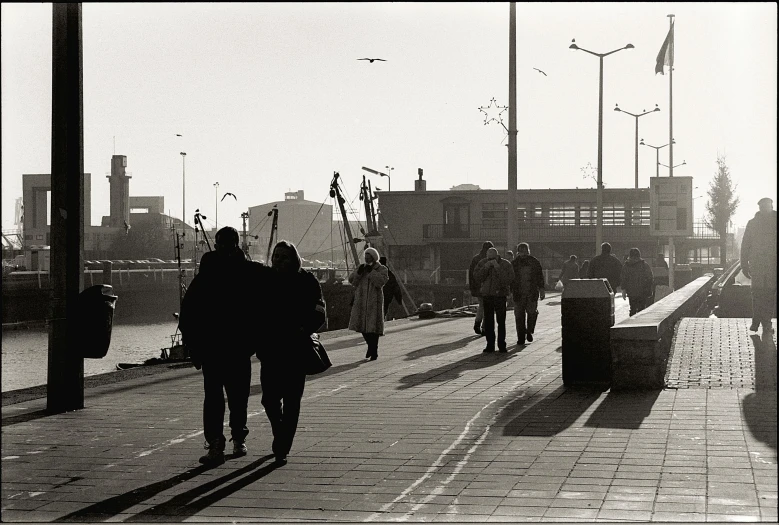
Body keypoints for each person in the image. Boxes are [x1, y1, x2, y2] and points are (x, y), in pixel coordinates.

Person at [179, 227, 259, 466]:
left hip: (215, 347)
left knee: (216, 398)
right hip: (235, 348)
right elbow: (258, 311)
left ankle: (217, 444)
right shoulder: (247, 272)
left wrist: (192, 345)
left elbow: (189, 313)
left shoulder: (205, 276)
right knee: (236, 396)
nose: (222, 248)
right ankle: (235, 438)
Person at [258, 240, 326, 465]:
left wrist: (303, 329)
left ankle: (282, 446)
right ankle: (280, 431)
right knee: (269, 399)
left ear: (294, 259)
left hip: (296, 349)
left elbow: (319, 312)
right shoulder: (266, 280)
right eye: (276, 256)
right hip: (270, 349)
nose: (278, 260)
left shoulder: (307, 281)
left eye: (283, 256)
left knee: (292, 400)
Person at [740, 197, 777, 333]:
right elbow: (745, 245)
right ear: (759, 208)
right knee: (757, 294)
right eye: (763, 207)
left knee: (768, 295)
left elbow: (745, 246)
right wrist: (744, 264)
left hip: (773, 266)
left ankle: (765, 323)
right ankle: (757, 321)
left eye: (767, 206)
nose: (765, 209)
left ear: (771, 206)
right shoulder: (753, 223)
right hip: (758, 266)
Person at [348, 247, 389, 360]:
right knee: (361, 327)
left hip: (373, 302)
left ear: (374, 257)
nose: (366, 259)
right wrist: (358, 273)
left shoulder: (382, 269)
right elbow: (352, 281)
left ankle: (373, 349)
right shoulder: (361, 267)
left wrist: (371, 272)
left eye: (368, 257)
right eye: (365, 257)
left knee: (373, 328)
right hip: (361, 301)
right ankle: (371, 347)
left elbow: (380, 282)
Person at [474, 247, 515, 352]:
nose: (490, 259)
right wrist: (485, 267)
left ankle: (502, 344)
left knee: (501, 321)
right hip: (487, 295)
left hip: (500, 295)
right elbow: (477, 277)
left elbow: (509, 279)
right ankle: (490, 344)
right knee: (488, 321)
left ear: (497, 256)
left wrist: (498, 268)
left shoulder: (505, 264)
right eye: (489, 257)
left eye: (492, 257)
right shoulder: (483, 263)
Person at [510, 243, 545, 346]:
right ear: (518, 251)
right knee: (519, 316)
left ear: (528, 250)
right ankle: (521, 337)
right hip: (518, 293)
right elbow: (511, 279)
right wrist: (510, 291)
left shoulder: (534, 262)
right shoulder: (514, 263)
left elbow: (540, 276)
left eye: (524, 250)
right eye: (521, 250)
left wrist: (542, 289)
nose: (523, 252)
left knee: (532, 313)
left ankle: (529, 330)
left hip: (531, 292)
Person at [469, 241, 494, 335]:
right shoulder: (491, 259)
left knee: (482, 305)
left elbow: (472, 274)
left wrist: (473, 287)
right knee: (489, 307)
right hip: (489, 287)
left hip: (478, 286)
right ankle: (484, 327)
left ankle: (477, 323)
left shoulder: (476, 258)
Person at [620, 247, 655, 316]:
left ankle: (631, 324)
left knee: (632, 308)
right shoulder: (644, 265)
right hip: (642, 291)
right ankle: (640, 324)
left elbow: (623, 278)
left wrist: (623, 290)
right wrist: (649, 289)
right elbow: (650, 277)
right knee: (641, 309)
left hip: (631, 292)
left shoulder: (626, 266)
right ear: (639, 255)